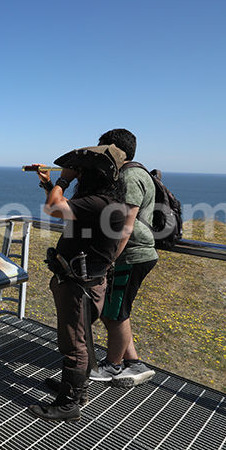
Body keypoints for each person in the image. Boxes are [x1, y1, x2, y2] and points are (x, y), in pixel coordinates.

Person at [28, 144, 127, 422]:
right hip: (84, 283)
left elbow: (53, 208)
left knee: (74, 344)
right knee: (78, 338)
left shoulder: (99, 203)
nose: (78, 176)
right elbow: (64, 209)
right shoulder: (105, 202)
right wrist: (48, 184)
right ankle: (75, 388)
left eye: (81, 172)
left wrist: (63, 179)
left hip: (80, 287)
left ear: (95, 175)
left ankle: (69, 404)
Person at [90, 129, 157, 387]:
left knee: (116, 312)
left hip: (131, 254)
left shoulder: (130, 176)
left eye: (102, 149)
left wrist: (109, 260)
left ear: (116, 150)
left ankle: (113, 365)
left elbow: (126, 227)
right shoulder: (135, 172)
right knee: (113, 311)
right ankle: (133, 362)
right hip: (130, 254)